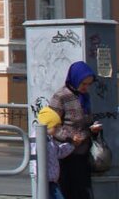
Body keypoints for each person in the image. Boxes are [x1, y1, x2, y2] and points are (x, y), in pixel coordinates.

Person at [50, 61, 100, 199]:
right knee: (68, 192)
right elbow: (51, 127)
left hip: (83, 153)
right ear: (75, 79)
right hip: (65, 154)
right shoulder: (61, 96)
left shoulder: (84, 97)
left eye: (89, 84)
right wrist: (70, 137)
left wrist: (93, 128)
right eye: (83, 84)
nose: (86, 88)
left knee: (84, 193)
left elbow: (85, 122)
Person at [33, 106, 76, 199]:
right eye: (55, 126)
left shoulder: (50, 139)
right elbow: (35, 159)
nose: (58, 129)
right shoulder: (38, 138)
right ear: (47, 125)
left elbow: (58, 152)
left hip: (51, 179)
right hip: (45, 180)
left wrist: (72, 144)